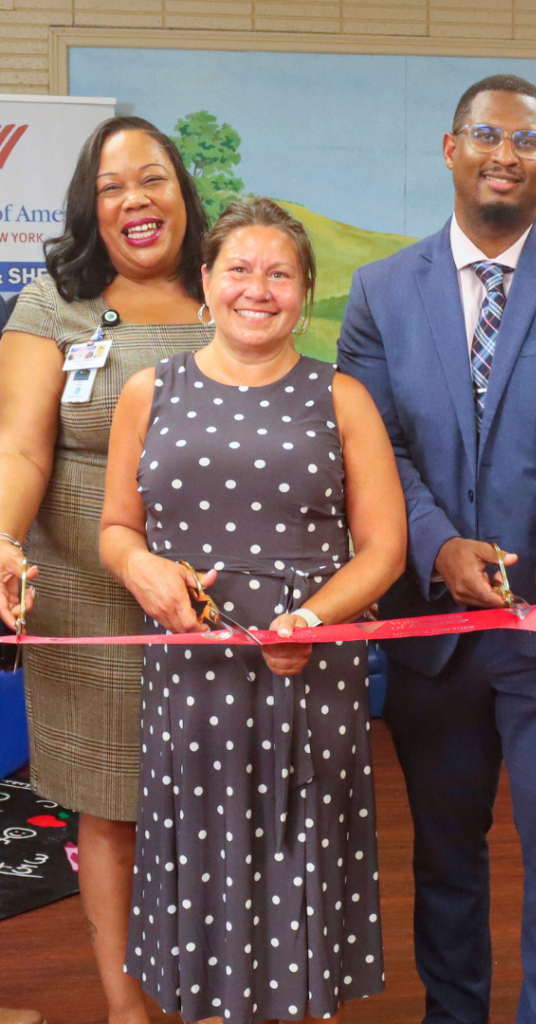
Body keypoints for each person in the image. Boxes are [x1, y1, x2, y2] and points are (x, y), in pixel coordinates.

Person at [337, 74, 536, 1024]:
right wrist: (433, 548)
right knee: (442, 849)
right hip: (430, 624)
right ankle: (455, 1011)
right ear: (450, 149)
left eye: (527, 140)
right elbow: (377, 444)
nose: (504, 153)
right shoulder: (381, 291)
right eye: (486, 135)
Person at [99, 197, 406, 1024]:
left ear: (306, 293)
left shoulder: (343, 398)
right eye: (238, 268)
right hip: (190, 678)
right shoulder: (146, 391)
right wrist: (141, 570)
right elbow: (117, 527)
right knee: (203, 860)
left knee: (291, 857)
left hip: (306, 674)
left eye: (279, 274)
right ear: (206, 280)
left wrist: (310, 619)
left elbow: (384, 551)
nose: (256, 289)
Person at [0, 116, 211, 1024]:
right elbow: (19, 448)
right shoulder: (56, 305)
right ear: (92, 206)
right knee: (109, 810)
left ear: (183, 193)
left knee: (213, 810)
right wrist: (2, 541)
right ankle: (128, 1010)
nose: (135, 199)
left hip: (214, 600)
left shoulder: (225, 288)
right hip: (90, 604)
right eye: (112, 186)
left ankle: (214, 994)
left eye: (153, 178)